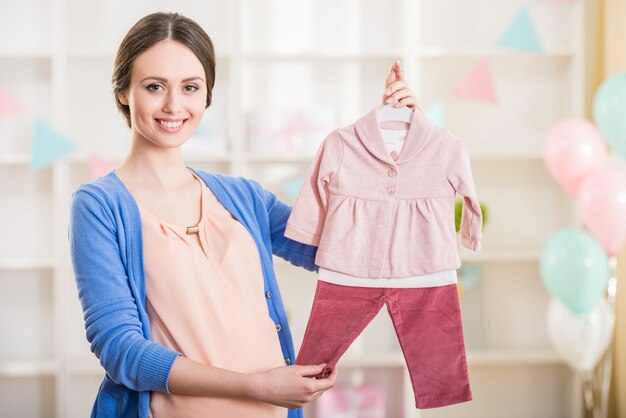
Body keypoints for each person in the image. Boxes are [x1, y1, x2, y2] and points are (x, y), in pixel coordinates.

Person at [68, 11, 421, 418]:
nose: (174, 105)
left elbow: (345, 249)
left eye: (190, 87)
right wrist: (257, 387)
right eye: (154, 86)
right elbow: (120, 350)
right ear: (124, 93)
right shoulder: (99, 205)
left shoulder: (243, 197)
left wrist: (389, 147)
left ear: (207, 96)